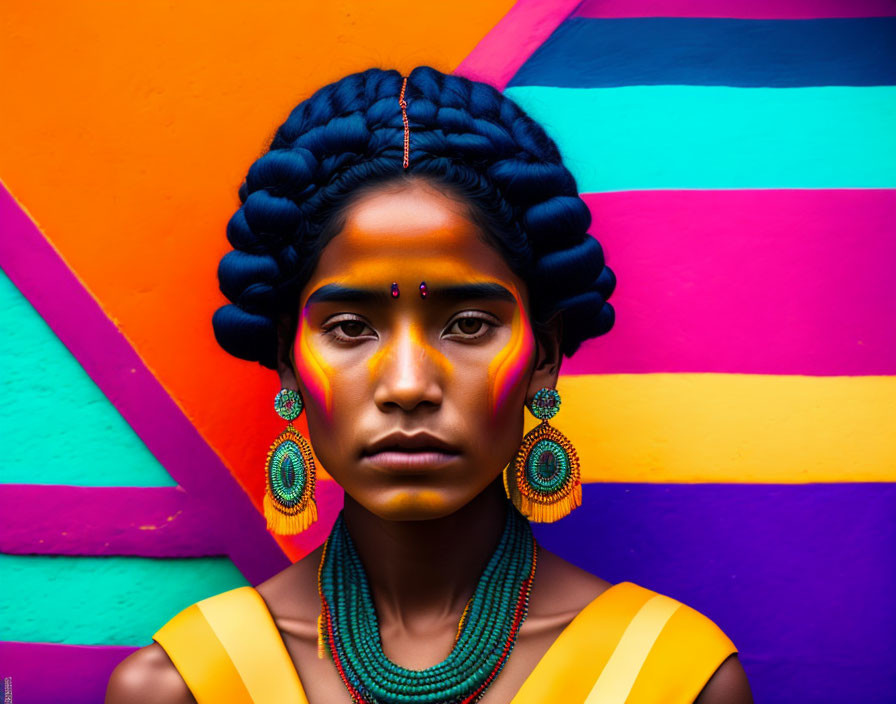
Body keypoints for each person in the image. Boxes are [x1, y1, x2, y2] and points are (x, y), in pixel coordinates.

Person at [106, 66, 752, 703]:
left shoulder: (669, 679)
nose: (410, 385)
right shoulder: (185, 687)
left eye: (469, 325)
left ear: (544, 355)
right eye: (352, 327)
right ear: (287, 359)